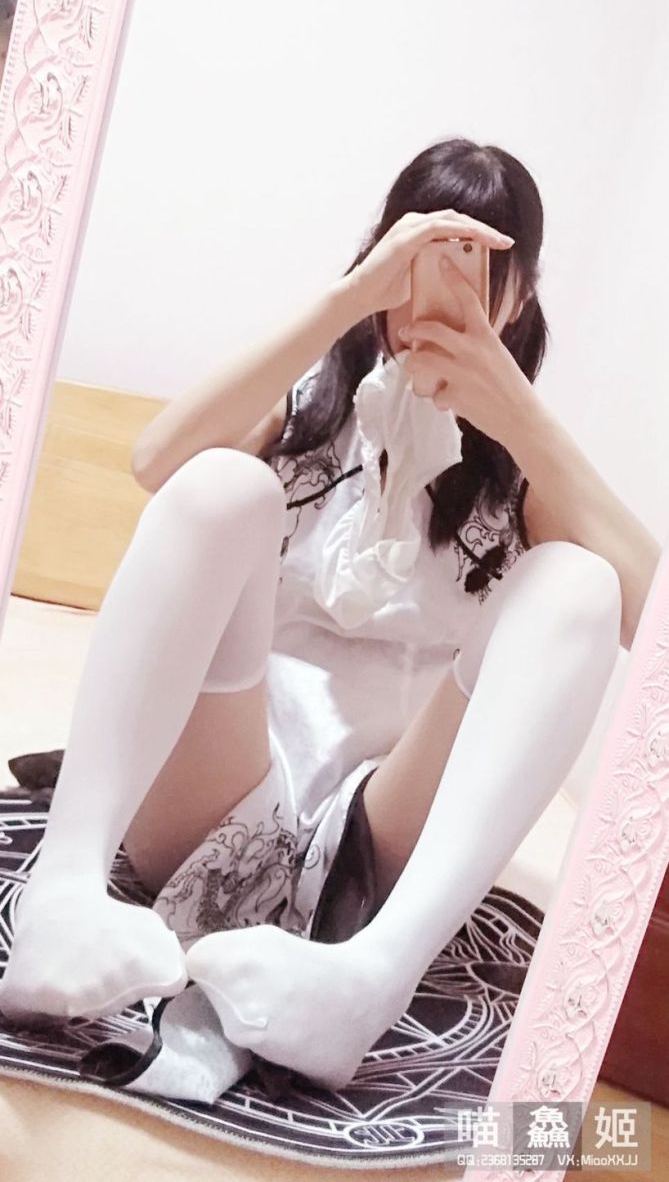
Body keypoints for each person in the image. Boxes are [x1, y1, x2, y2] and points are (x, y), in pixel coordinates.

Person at [0, 137, 659, 1099]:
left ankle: (367, 981)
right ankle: (63, 897)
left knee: (578, 584)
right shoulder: (310, 408)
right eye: (420, 260)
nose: (439, 295)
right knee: (221, 485)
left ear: (519, 292)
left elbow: (648, 622)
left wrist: (509, 405)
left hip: (375, 835)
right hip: (222, 791)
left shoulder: (524, 470)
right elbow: (155, 463)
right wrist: (349, 299)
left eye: (479, 272)